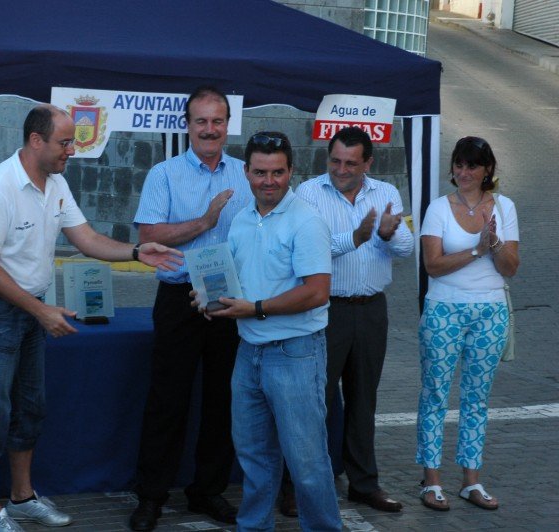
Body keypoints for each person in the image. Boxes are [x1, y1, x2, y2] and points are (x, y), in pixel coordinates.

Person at [0, 104, 182, 532]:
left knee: (31, 408)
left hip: (32, 308)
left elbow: (87, 238)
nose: (72, 151)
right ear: (36, 140)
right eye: (64, 142)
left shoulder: (57, 182)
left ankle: (22, 498)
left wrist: (138, 252)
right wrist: (41, 310)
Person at [195, 131, 342, 531]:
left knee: (307, 462)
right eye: (260, 172)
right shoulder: (242, 219)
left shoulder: (307, 221)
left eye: (277, 172)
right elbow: (239, 279)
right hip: (249, 351)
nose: (269, 181)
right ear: (246, 172)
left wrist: (255, 308)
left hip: (296, 352)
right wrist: (208, 296)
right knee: (254, 458)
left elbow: (317, 291)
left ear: (291, 171)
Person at [129, 86, 253, 531]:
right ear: (187, 125)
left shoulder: (246, 174)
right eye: (201, 121)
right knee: (168, 401)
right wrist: (205, 222)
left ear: (228, 125)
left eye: (217, 121)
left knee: (223, 401)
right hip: (180, 298)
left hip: (229, 299)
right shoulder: (164, 174)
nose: (209, 129)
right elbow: (148, 236)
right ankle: (151, 496)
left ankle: (207, 491)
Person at [295, 126, 413, 513]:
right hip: (325, 310)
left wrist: (387, 234)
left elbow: (407, 248)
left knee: (364, 399)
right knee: (317, 400)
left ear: (368, 164)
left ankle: (363, 484)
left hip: (372, 309)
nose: (341, 170)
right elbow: (309, 249)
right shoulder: (309, 194)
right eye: (335, 161)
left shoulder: (386, 193)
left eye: (350, 163)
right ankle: (299, 485)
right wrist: (357, 236)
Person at [416, 136, 519, 512]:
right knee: (435, 395)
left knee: (477, 399)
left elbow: (511, 268)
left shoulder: (505, 207)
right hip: (444, 310)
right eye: (459, 164)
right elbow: (432, 265)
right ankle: (431, 481)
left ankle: (471, 481)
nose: (463, 172)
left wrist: (495, 245)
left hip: (491, 312)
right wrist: (478, 248)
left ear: (487, 169)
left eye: (472, 165)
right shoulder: (438, 208)